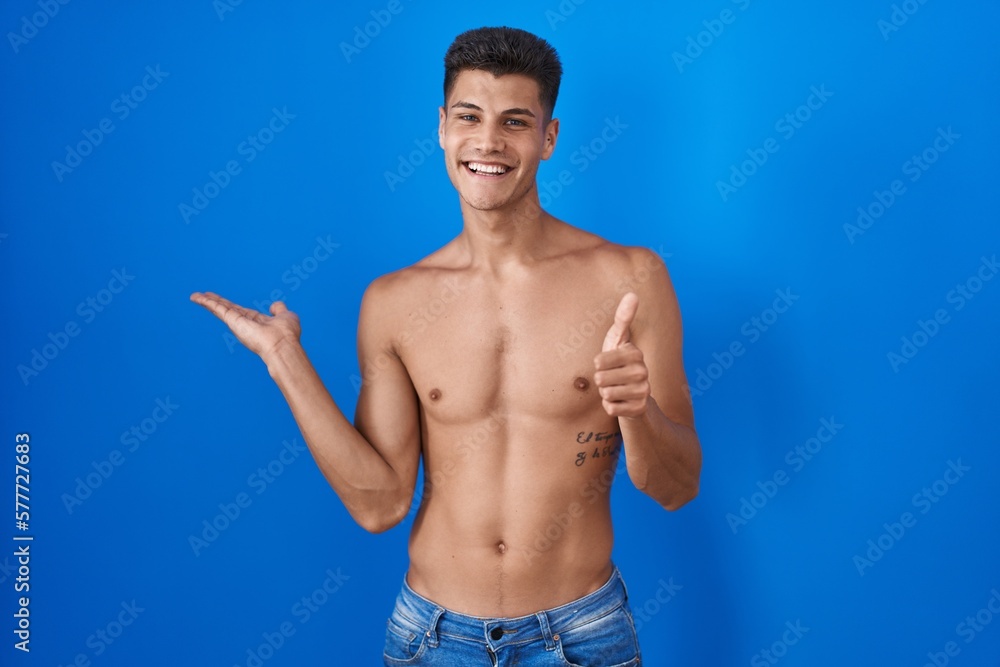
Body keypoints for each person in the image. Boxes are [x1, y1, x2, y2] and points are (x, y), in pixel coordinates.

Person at [191, 25, 701, 666]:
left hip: (580, 634)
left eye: (516, 121)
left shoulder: (632, 278)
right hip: (432, 639)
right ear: (441, 128)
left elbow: (677, 486)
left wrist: (638, 411)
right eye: (469, 117)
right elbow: (380, 505)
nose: (488, 142)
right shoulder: (394, 302)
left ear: (548, 138)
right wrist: (284, 361)